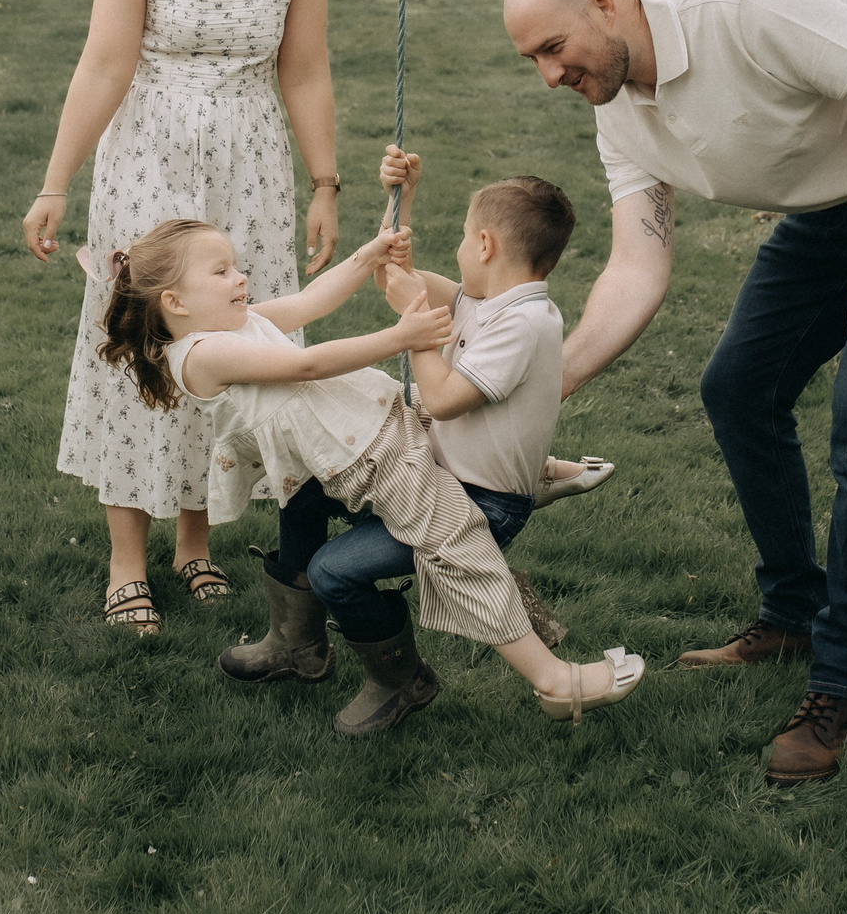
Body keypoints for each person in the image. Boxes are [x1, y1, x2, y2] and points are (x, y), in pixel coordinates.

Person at [503, 0, 847, 785]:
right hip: (836, 200)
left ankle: (844, 690)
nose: (548, 75)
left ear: (604, 2)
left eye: (553, 48)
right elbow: (638, 264)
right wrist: (544, 383)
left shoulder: (746, 3)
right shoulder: (619, 112)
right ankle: (794, 612)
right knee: (739, 387)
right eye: (532, 59)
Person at [98, 217, 647, 733]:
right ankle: (552, 680)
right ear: (175, 302)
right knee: (457, 551)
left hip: (384, 432)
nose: (240, 276)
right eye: (221, 272)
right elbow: (306, 365)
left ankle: (529, 476)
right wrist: (400, 338)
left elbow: (313, 302)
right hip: (379, 464)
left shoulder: (237, 323)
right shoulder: (205, 353)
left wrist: (368, 256)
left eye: (235, 265)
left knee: (438, 426)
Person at [24, 0, 342, 635]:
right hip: (149, 160)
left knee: (233, 339)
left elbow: (305, 70)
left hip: (252, 168)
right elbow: (103, 64)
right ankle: (128, 554)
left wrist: (324, 182)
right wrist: (57, 181)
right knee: (145, 344)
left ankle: (194, 541)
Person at [221, 149, 614, 716]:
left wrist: (418, 337)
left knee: (335, 571)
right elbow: (393, 277)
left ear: (485, 246)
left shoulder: (525, 323)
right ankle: (296, 644)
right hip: (433, 473)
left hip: (481, 503)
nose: (456, 248)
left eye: (462, 236)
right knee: (304, 485)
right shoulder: (481, 299)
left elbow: (446, 401)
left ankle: (400, 680)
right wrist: (402, 198)